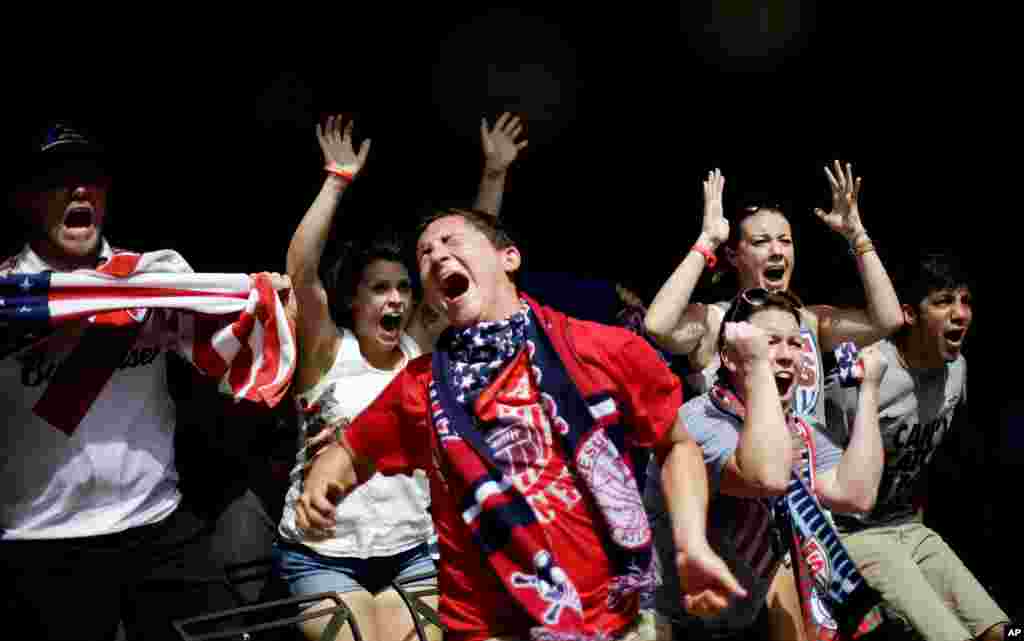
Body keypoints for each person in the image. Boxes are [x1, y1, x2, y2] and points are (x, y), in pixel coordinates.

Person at [293, 207, 746, 641]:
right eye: (424, 255)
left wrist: (690, 542)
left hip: (616, 617)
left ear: (509, 258)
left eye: (450, 241)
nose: (435, 256)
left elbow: (676, 444)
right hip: (489, 628)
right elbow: (350, 452)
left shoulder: (603, 348)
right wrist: (322, 484)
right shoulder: (419, 388)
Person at [0, 122, 295, 641]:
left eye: (90, 178)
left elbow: (225, 353)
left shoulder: (155, 277)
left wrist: (261, 305)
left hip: (158, 524)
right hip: (42, 538)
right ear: (26, 199)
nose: (78, 190)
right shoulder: (8, 297)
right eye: (57, 180)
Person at [273, 113, 527, 641]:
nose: (394, 299)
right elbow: (301, 270)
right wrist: (336, 181)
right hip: (325, 556)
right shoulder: (326, 351)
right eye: (379, 289)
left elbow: (471, 259)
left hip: (412, 551)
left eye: (402, 289)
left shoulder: (416, 349)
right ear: (354, 300)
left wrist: (495, 175)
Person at [644, 288, 887, 641]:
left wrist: (868, 392)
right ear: (730, 357)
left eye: (795, 343)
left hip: (736, 623)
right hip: (665, 623)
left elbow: (857, 495)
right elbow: (767, 476)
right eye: (770, 342)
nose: (786, 355)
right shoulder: (700, 422)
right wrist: (757, 365)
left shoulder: (798, 430)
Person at [824, 253, 1010, 641]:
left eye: (965, 301)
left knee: (1001, 631)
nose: (960, 313)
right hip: (852, 533)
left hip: (907, 526)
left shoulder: (957, 371)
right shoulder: (864, 376)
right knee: (949, 635)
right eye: (943, 302)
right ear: (909, 314)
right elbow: (816, 459)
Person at [643, 162, 903, 423]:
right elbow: (657, 326)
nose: (777, 251)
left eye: (785, 241)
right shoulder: (714, 320)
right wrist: (707, 241)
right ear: (733, 255)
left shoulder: (811, 320)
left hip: (808, 460)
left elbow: (888, 320)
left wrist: (857, 236)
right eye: (761, 242)